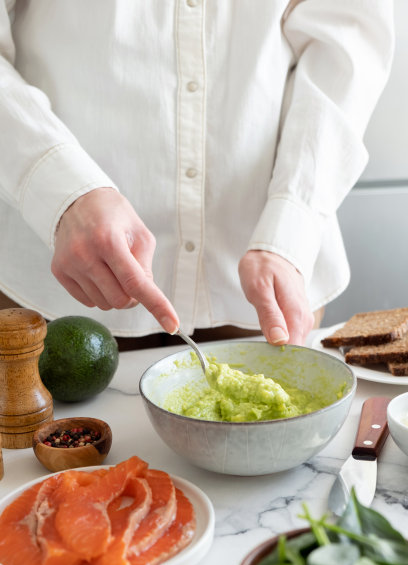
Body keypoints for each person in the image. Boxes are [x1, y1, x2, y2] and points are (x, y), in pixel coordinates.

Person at [0, 1, 394, 349]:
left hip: (261, 280)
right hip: (52, 285)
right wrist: (64, 192)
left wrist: (293, 219)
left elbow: (348, 38)